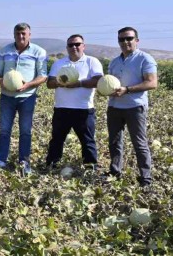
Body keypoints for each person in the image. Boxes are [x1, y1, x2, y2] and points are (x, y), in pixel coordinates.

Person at [106, 27, 157, 186]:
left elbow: (152, 83)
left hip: (135, 107)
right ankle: (115, 173)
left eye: (129, 38)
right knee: (114, 142)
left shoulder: (145, 59)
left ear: (137, 40)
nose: (125, 42)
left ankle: (146, 179)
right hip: (114, 107)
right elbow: (110, 83)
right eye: (121, 39)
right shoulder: (114, 62)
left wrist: (127, 90)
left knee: (139, 144)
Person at [0, 23, 47, 174]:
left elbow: (43, 75)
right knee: (4, 130)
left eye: (24, 33)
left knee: (25, 131)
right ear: (14, 35)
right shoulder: (4, 51)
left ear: (29, 34)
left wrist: (28, 85)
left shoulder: (39, 52)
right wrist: (1, 82)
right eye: (18, 34)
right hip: (7, 97)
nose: (21, 36)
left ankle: (24, 161)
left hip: (27, 97)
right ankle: (1, 160)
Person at [46, 34, 103, 168]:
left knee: (87, 140)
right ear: (67, 47)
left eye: (77, 44)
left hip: (84, 109)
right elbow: (50, 83)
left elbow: (98, 81)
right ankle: (51, 164)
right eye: (71, 45)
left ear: (83, 46)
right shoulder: (59, 63)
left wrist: (79, 83)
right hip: (61, 108)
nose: (74, 47)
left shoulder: (92, 61)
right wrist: (60, 82)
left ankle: (90, 166)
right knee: (57, 140)